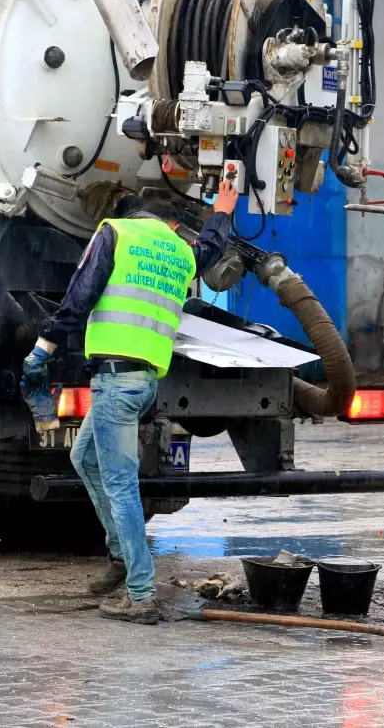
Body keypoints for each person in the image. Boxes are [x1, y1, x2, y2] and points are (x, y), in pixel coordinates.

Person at [22, 183, 237, 624]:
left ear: (141, 212)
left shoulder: (116, 233)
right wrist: (222, 211)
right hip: (143, 383)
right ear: (174, 223)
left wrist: (42, 349)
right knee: (85, 459)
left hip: (116, 383)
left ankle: (139, 593)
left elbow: (80, 296)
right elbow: (213, 248)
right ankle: (121, 556)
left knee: (121, 486)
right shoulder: (181, 252)